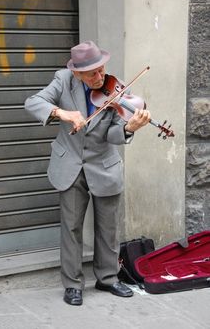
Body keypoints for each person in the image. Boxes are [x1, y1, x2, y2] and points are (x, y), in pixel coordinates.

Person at [25, 40, 150, 306]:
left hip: (103, 166)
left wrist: (129, 128)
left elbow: (115, 135)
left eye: (101, 70)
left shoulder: (117, 88)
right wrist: (62, 113)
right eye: (92, 73)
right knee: (70, 227)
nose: (99, 77)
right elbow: (33, 102)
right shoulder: (62, 80)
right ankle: (72, 285)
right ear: (77, 73)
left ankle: (108, 278)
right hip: (69, 164)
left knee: (108, 227)